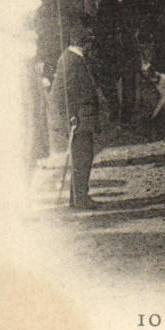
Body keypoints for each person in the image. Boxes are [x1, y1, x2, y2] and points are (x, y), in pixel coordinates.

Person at [46, 13, 112, 209]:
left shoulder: (77, 59)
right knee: (81, 159)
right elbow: (61, 94)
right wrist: (70, 117)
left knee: (84, 158)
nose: (91, 45)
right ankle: (80, 199)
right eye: (89, 40)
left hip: (84, 119)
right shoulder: (71, 60)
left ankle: (78, 197)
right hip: (78, 120)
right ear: (83, 41)